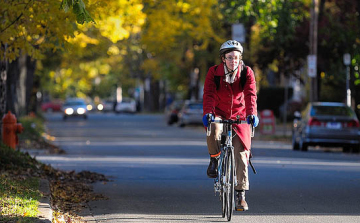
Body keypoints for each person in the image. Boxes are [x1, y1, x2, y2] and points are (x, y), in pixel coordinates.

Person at [202, 40, 259, 211]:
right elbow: (209, 94)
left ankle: (240, 195)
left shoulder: (246, 72)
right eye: (229, 57)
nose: (233, 60)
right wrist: (208, 113)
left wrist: (252, 114)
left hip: (240, 114)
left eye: (236, 57)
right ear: (223, 58)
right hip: (218, 111)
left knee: (241, 153)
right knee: (213, 129)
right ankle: (214, 158)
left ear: (240, 58)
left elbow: (250, 94)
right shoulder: (213, 73)